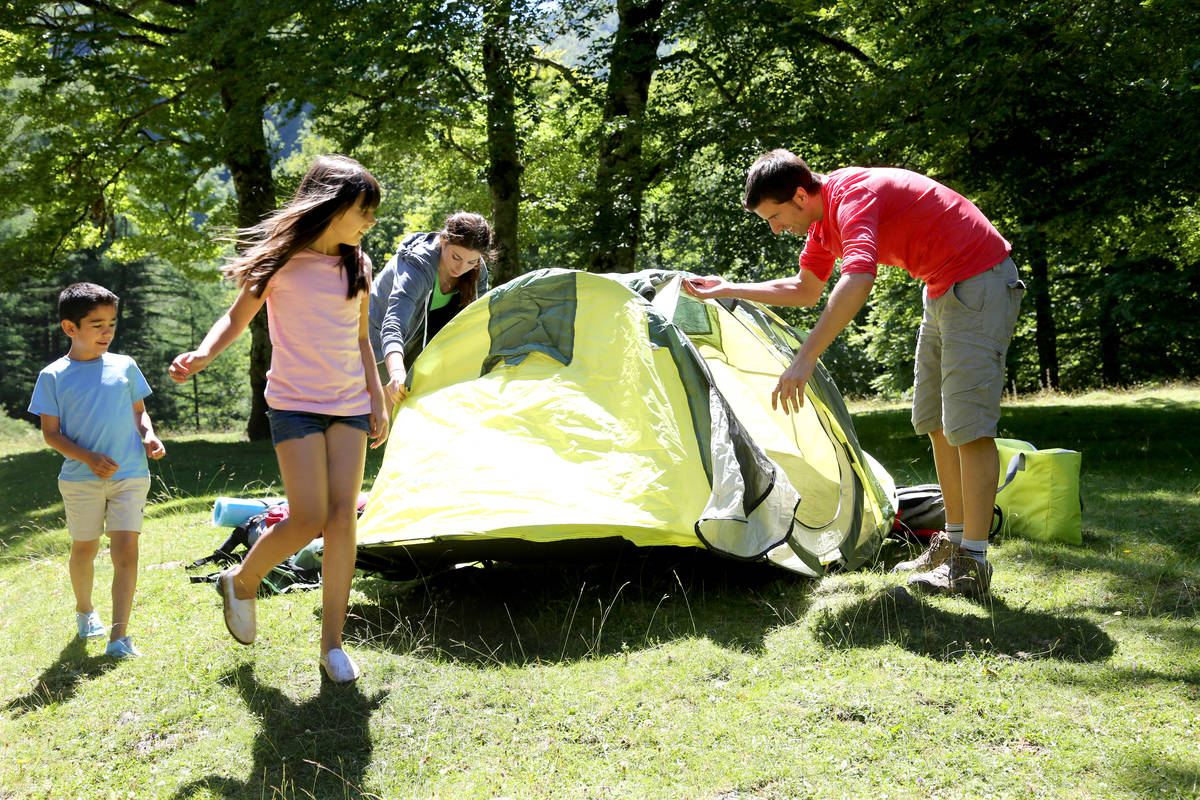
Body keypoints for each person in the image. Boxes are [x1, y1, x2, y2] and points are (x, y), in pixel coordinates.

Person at [685, 148, 1023, 599]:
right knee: (937, 424)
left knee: (969, 429)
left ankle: (971, 563)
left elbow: (859, 278)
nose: (776, 227)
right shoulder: (822, 224)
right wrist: (727, 288)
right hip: (942, 290)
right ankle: (954, 541)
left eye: (776, 215)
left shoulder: (852, 198)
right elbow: (805, 289)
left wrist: (805, 358)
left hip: (980, 282)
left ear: (801, 195)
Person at [169, 154, 389, 683]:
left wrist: (377, 397)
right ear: (332, 206)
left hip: (350, 404)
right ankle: (242, 583)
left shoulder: (358, 263)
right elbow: (236, 317)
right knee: (308, 516)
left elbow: (361, 338)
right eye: (364, 210)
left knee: (343, 519)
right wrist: (202, 355)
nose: (370, 222)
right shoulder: (280, 262)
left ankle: (331, 646)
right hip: (293, 402)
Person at [29, 282, 167, 658]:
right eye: (97, 324)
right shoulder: (53, 375)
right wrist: (89, 458)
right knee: (85, 549)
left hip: (130, 475)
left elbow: (140, 412)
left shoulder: (125, 366)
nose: (107, 331)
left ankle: (119, 637)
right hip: (80, 480)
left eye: (111, 323)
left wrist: (148, 436)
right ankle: (85, 611)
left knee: (127, 550)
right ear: (70, 328)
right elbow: (51, 435)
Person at [368, 212, 493, 409]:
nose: (461, 268)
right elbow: (393, 324)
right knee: (378, 412)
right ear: (443, 240)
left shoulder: (477, 268)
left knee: (412, 409)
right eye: (456, 257)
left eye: (471, 262)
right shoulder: (418, 265)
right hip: (378, 341)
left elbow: (479, 320)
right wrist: (397, 372)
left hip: (424, 339)